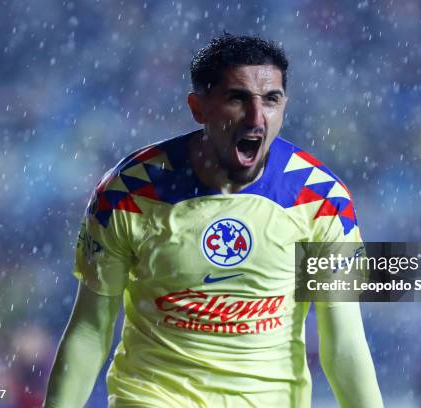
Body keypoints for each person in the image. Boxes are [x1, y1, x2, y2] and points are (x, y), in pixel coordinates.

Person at [44, 33, 383, 408]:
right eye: (237, 98)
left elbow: (345, 344)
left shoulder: (323, 199)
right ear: (198, 107)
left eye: (272, 99)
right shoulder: (126, 191)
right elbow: (91, 330)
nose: (257, 118)